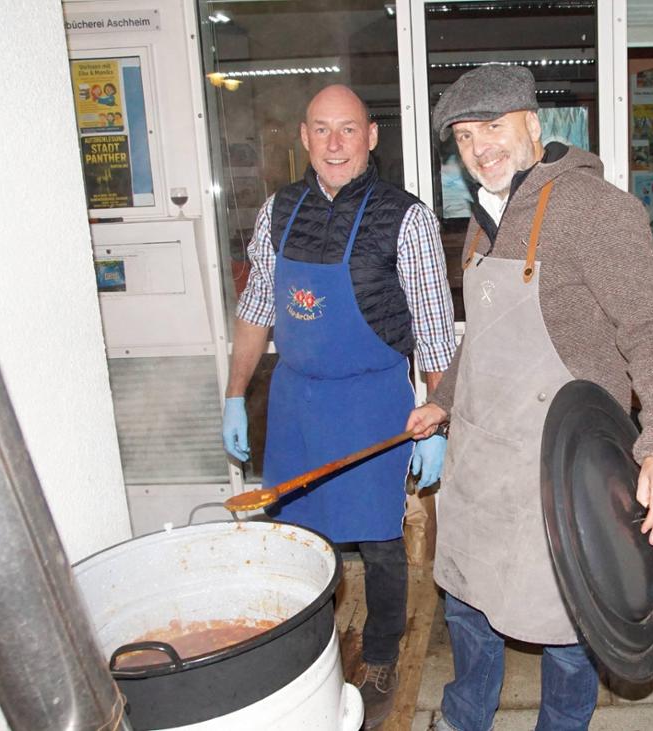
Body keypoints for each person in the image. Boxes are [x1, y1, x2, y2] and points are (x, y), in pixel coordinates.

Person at [406, 64, 653, 731]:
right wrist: (444, 398)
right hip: (483, 464)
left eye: (493, 125)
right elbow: (482, 338)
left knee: (567, 630)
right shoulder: (484, 221)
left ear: (533, 124)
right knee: (467, 609)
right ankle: (464, 716)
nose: (480, 146)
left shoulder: (595, 210)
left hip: (560, 473)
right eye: (463, 137)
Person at [221, 84, 456, 729]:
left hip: (372, 400)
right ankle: (311, 651)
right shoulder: (279, 211)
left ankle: (380, 654)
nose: (333, 144)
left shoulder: (406, 218)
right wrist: (234, 394)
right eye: (321, 130)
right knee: (300, 540)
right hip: (296, 401)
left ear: (371, 136)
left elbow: (434, 330)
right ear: (303, 137)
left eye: (347, 129)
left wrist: (438, 413)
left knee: (379, 543)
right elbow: (257, 312)